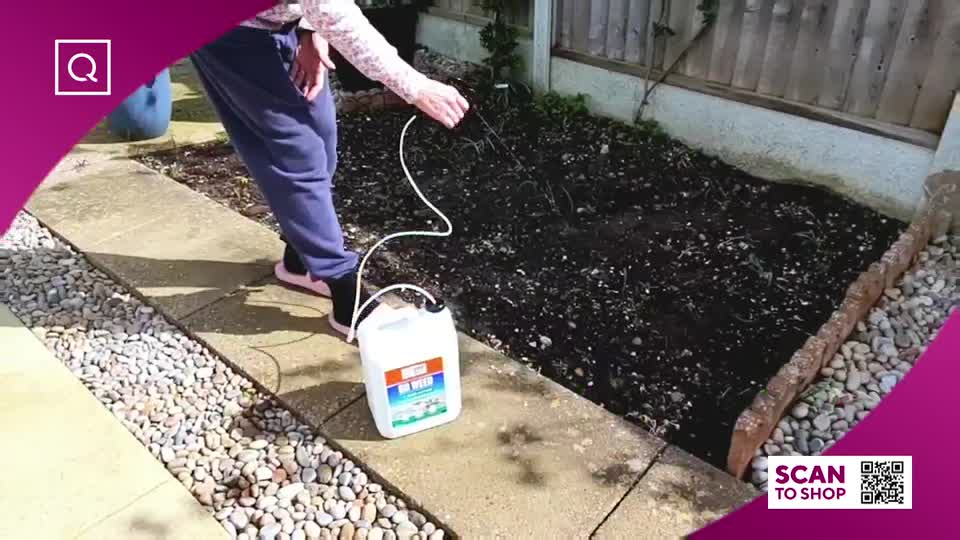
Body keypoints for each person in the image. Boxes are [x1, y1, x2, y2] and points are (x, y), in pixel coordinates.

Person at [190, 0, 469, 337]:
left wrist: (310, 29)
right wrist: (413, 86)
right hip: (228, 32)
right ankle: (346, 295)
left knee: (321, 136)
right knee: (296, 152)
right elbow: (334, 11)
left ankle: (300, 260)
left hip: (280, 21)